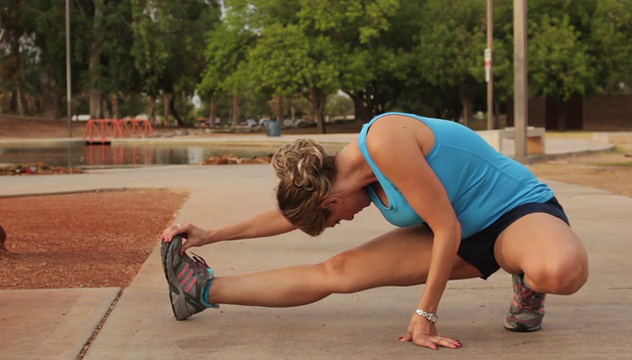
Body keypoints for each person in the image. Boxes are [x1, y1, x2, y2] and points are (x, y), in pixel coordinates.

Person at [161, 112, 588, 350]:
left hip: (512, 212)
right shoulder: (345, 181)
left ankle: (528, 283)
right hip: (454, 233)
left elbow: (446, 226)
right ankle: (201, 290)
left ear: (330, 201)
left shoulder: (384, 142)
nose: (343, 222)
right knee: (337, 269)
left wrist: (424, 316)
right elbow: (288, 217)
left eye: (333, 220)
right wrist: (210, 234)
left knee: (561, 271)